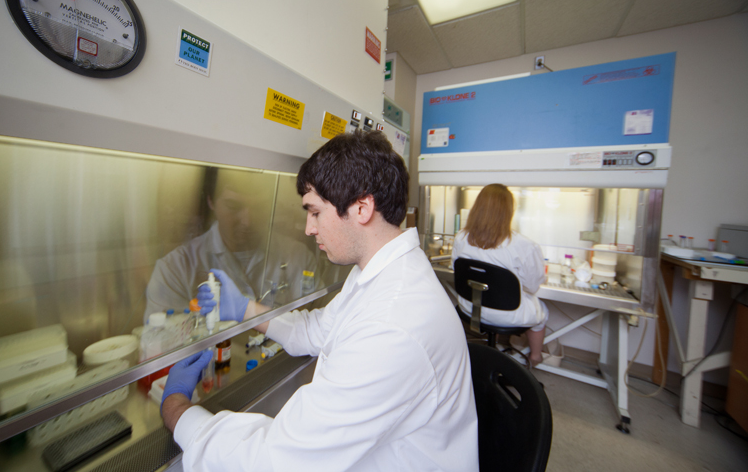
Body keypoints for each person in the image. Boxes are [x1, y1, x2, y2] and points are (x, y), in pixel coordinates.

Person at [161, 131, 478, 471]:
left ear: (361, 207)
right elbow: (317, 331)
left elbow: (274, 462)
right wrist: (246, 309)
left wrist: (178, 410)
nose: (308, 228)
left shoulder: (393, 324)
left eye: (314, 212)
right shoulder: (381, 272)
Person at [143, 168, 318, 321]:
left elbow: (316, 327)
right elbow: (161, 342)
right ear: (211, 201)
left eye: (260, 207)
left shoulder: (299, 258)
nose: (247, 221)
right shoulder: (174, 269)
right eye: (233, 206)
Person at [451, 183, 548, 368]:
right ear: (509, 211)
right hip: (506, 316)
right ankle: (535, 357)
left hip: (470, 309)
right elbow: (532, 286)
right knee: (542, 311)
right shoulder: (524, 245)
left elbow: (457, 271)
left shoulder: (461, 238)